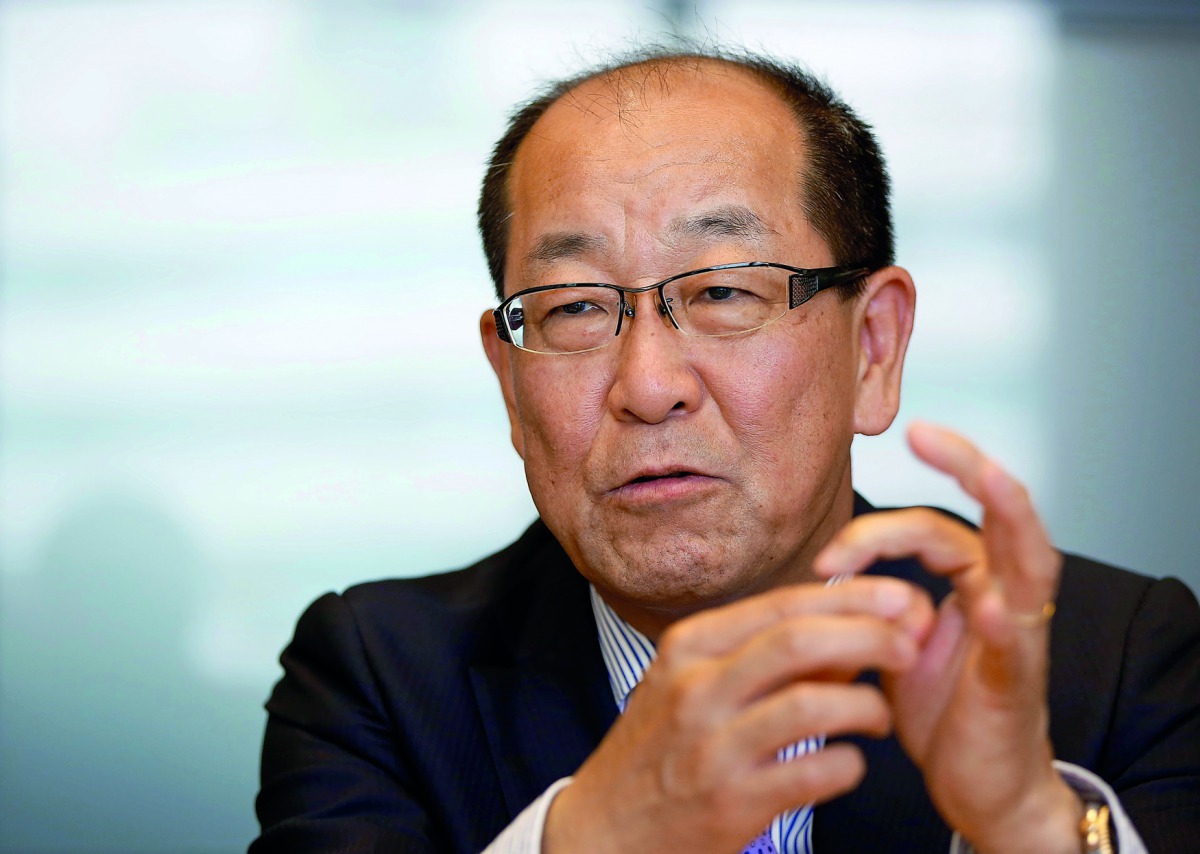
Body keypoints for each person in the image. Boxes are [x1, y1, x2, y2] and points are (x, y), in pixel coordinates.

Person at [251, 46, 1200, 854]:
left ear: (872, 349)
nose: (648, 385)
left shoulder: (1113, 661)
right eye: (574, 307)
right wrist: (586, 839)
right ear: (509, 379)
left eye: (722, 292)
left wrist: (1031, 828)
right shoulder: (380, 678)